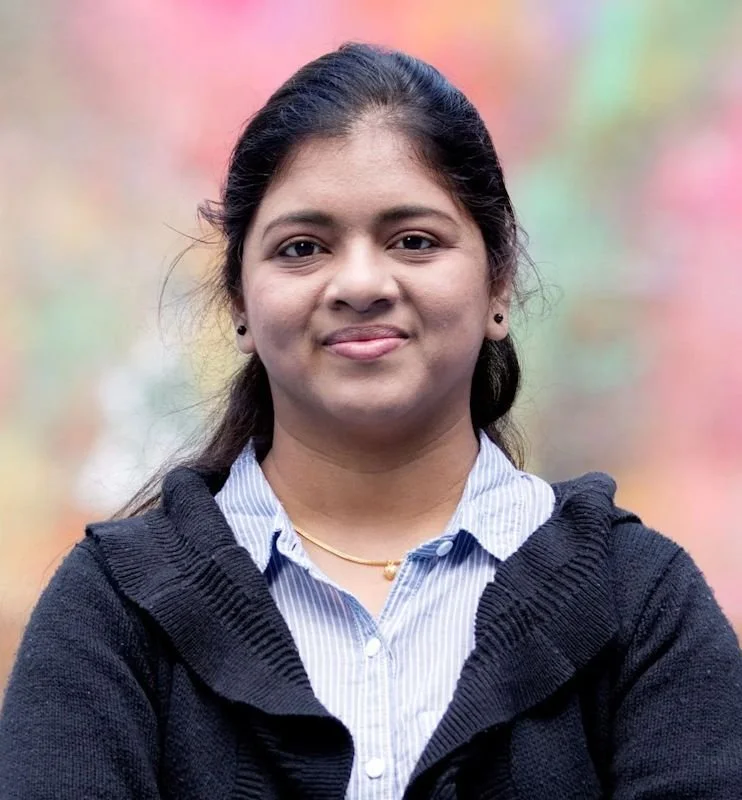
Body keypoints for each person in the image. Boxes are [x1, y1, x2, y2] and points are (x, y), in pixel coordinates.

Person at [1, 42, 741, 800]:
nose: (360, 283)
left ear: (498, 283)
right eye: (303, 248)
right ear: (240, 306)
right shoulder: (113, 612)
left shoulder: (640, 600)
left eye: (413, 240)